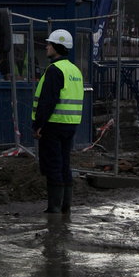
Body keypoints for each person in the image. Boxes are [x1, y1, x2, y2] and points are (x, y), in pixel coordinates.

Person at [31, 28, 84, 216]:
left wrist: (38, 126)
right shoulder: (74, 70)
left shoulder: (54, 70)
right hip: (71, 124)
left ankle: (54, 207)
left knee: (53, 165)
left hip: (53, 125)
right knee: (64, 164)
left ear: (57, 47)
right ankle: (65, 206)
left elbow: (47, 101)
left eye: (49, 44)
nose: (46, 47)